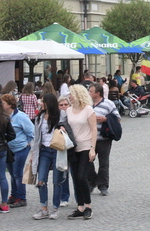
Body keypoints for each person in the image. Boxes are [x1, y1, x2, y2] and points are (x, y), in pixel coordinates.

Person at [31, 93, 65, 220]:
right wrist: (33, 154)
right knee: (41, 179)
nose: (41, 103)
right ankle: (43, 208)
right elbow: (36, 137)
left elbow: (68, 128)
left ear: (49, 103)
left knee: (57, 180)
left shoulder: (61, 115)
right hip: (44, 151)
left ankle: (55, 208)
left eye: (43, 101)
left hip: (57, 150)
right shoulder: (39, 117)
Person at [65, 85, 97, 220]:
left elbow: (94, 129)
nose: (69, 96)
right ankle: (80, 207)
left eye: (71, 94)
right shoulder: (68, 110)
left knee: (81, 176)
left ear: (77, 95)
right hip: (73, 148)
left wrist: (93, 148)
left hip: (85, 147)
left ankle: (88, 206)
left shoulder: (88, 110)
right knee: (75, 178)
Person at [1, 94, 34, 209]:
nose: (1, 105)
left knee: (18, 174)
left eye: (3, 103)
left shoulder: (21, 116)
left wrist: (29, 144)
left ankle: (21, 198)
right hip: (8, 149)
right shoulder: (3, 116)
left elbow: (31, 131)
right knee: (11, 173)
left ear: (10, 105)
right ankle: (14, 195)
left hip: (20, 148)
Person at [88, 83, 121, 196]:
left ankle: (103, 185)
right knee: (87, 162)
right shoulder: (87, 103)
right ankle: (92, 181)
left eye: (91, 91)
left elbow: (117, 118)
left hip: (104, 138)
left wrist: (105, 119)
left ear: (97, 93)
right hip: (88, 138)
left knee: (104, 163)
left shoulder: (108, 104)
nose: (89, 93)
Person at [0, 95, 16, 215]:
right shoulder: (4, 118)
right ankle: (4, 204)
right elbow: (12, 135)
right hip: (2, 150)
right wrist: (3, 139)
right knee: (2, 177)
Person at [57, 96, 72, 207]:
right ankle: (64, 196)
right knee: (63, 172)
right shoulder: (56, 117)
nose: (63, 107)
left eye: (65, 105)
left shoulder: (72, 116)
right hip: (61, 147)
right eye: (61, 105)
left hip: (73, 146)